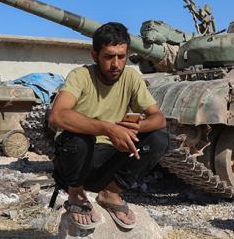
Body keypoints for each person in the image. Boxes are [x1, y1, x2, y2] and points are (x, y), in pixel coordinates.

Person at [48, 22, 169, 230]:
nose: (116, 64)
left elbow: (158, 118)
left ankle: (111, 193)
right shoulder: (81, 76)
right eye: (109, 56)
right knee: (80, 137)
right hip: (75, 163)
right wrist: (108, 128)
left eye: (121, 57)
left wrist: (129, 131)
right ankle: (76, 194)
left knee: (159, 138)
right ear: (95, 56)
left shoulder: (131, 77)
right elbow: (57, 116)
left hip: (109, 162)